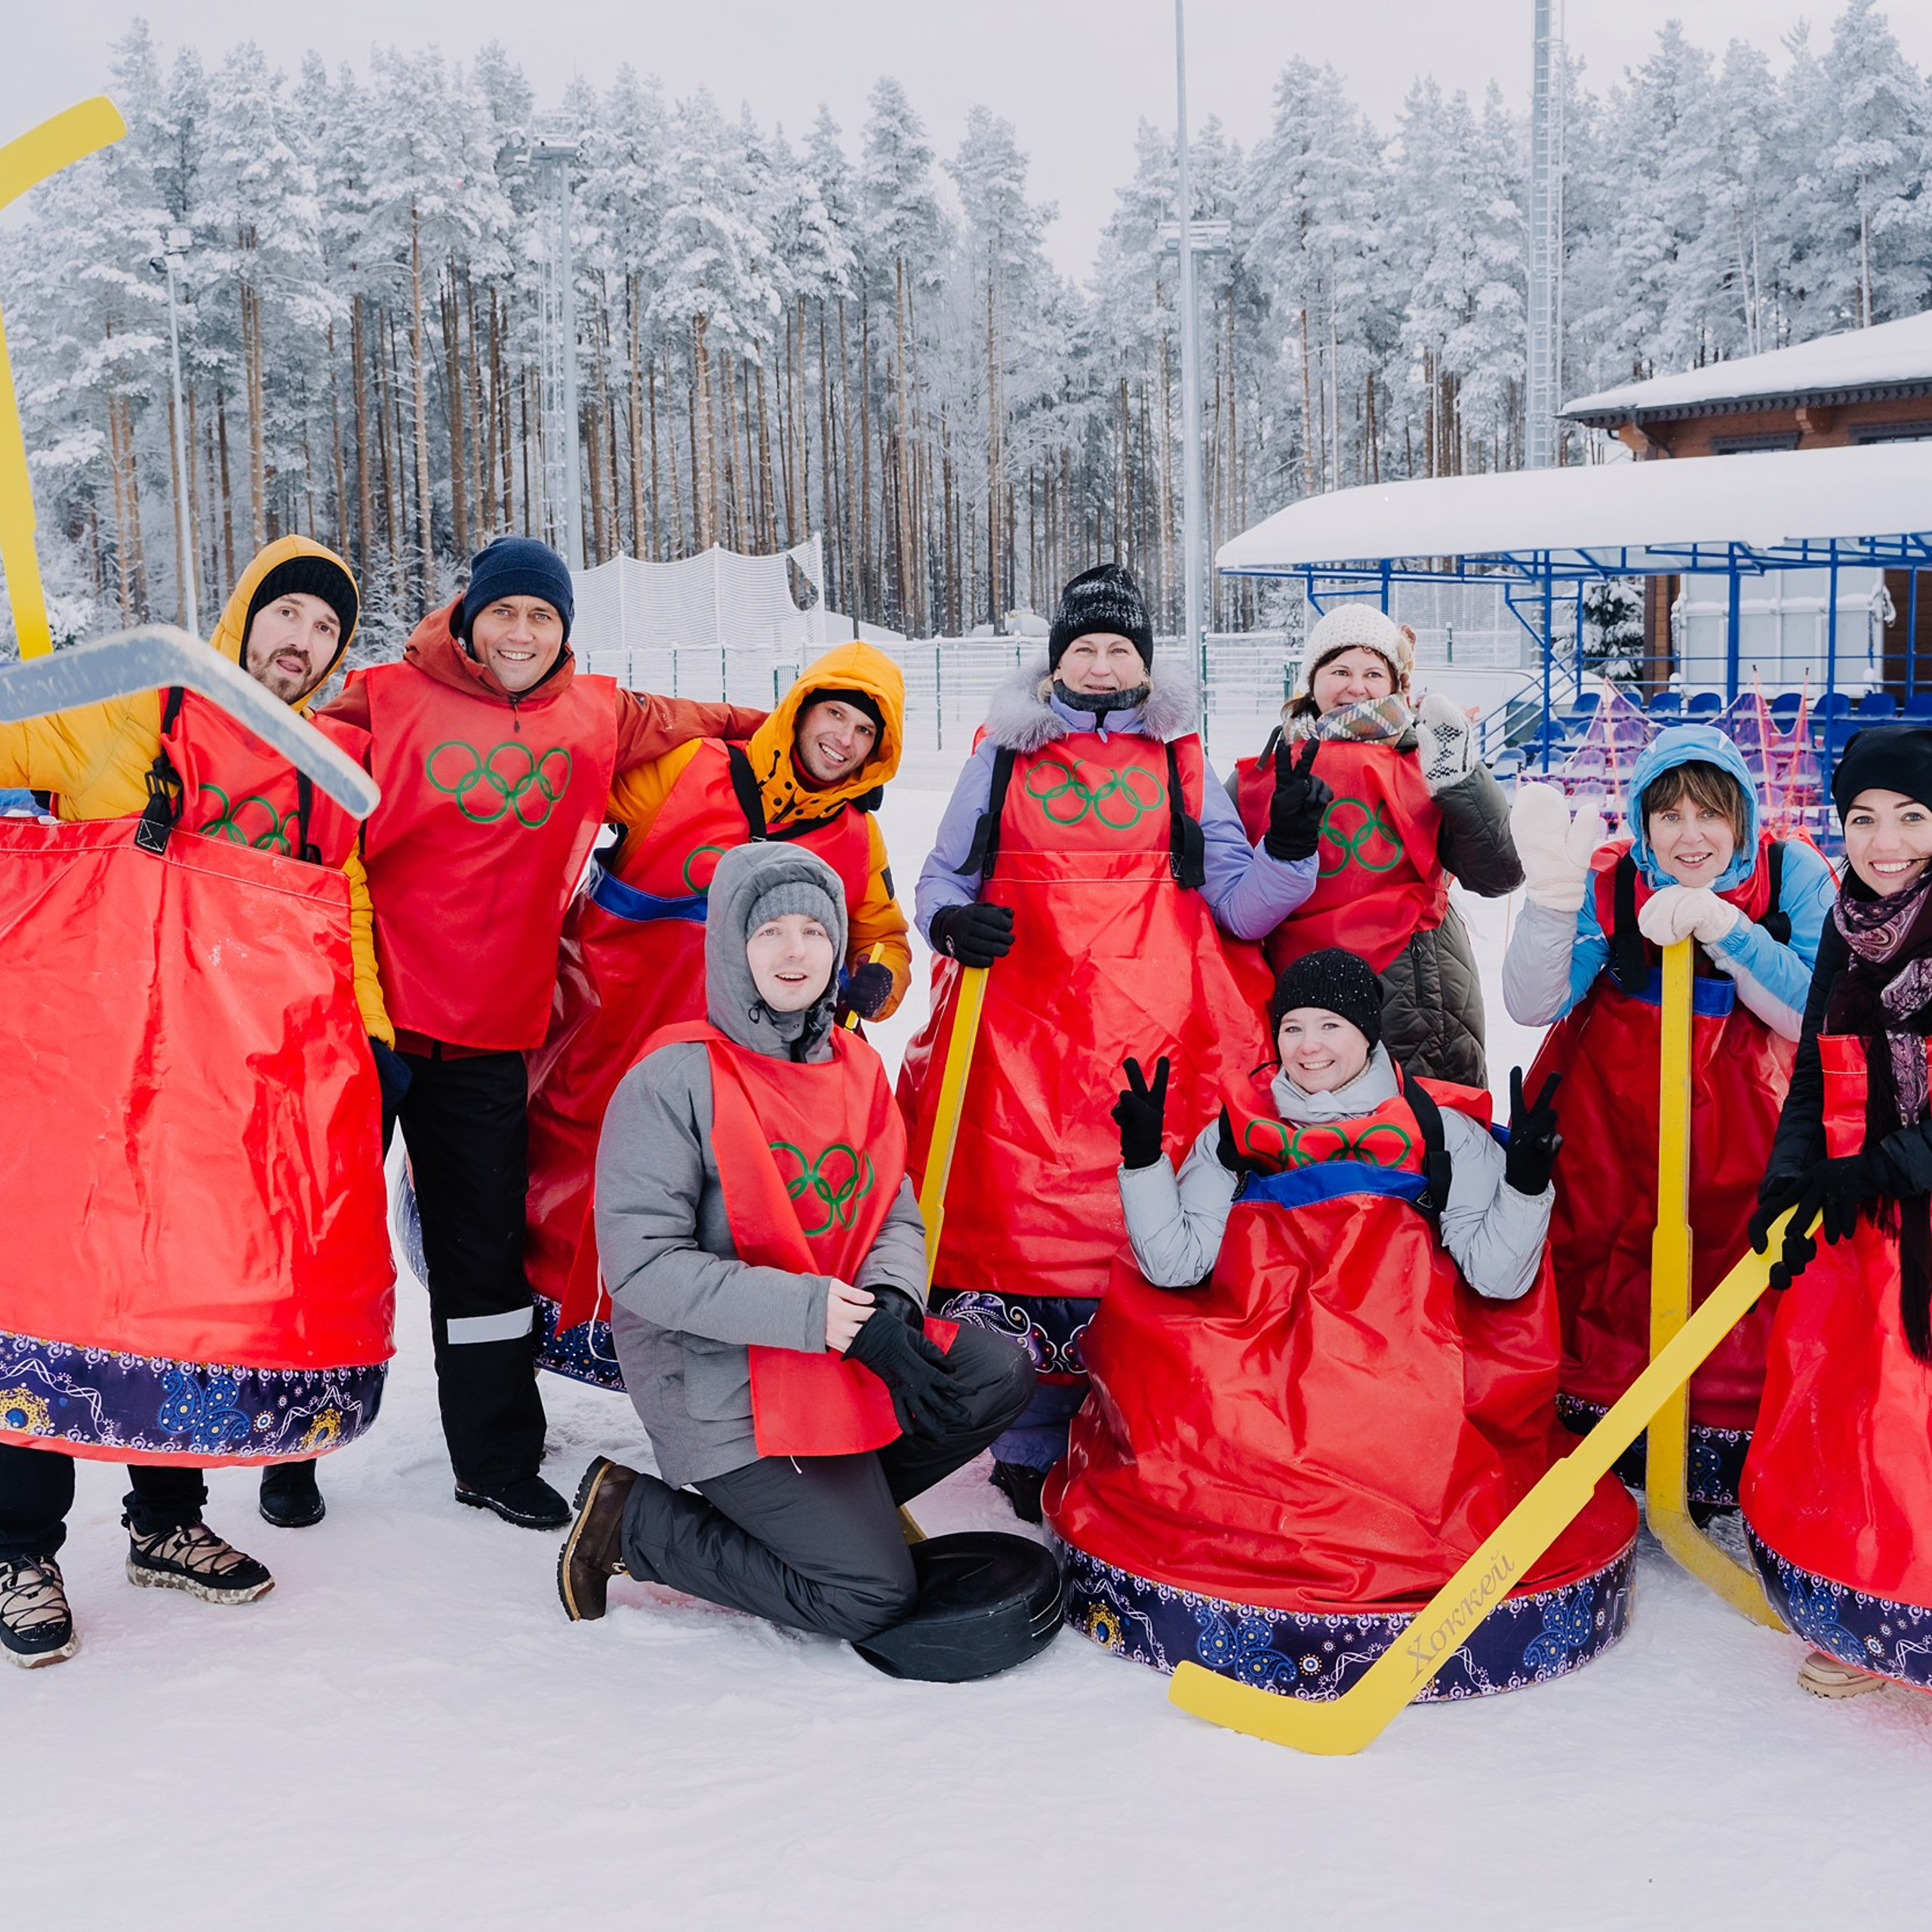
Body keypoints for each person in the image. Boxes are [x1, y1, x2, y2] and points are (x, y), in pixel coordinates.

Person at [305, 537, 764, 1532]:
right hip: (364, 1023)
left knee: (485, 1257)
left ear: (563, 629)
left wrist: (832, 744)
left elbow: (739, 731)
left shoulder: (600, 714)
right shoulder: (384, 699)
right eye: (505, 612)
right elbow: (280, 774)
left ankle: (496, 1457)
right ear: (470, 616)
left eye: (542, 617)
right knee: (319, 1241)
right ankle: (293, 1440)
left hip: (490, 1037)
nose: (521, 632)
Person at [0, 537, 395, 1666]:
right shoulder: (136, 710)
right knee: (51, 1293)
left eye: (325, 630)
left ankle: (167, 1523)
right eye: (288, 616)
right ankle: (17, 1544)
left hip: (232, 1087)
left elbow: (345, 907)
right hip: (91, 1059)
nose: (302, 642)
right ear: (244, 617)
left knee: (193, 1296)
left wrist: (366, 1038)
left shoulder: (325, 770)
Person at [1051, 949, 1639, 1701]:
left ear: (1367, 1033)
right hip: (1263, 1345)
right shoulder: (1235, 1129)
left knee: (1377, 1435)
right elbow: (1176, 1264)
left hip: (1399, 1349)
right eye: (1292, 1027)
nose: (1310, 1046)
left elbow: (1498, 1277)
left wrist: (1523, 1186)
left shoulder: (1438, 1130)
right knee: (1226, 1424)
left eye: (1330, 1025)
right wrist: (1142, 1162)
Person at [902, 563, 1323, 1521]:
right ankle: (1024, 1432)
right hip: (1021, 1038)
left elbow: (1242, 908)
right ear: (1055, 663)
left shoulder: (1181, 759)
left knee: (1131, 1224)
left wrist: (1288, 851)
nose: (1099, 666)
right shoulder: (1001, 756)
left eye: (1118, 649)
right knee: (1015, 1226)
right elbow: (940, 877)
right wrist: (949, 927)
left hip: (1159, 1033)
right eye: (1083, 649)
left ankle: (1137, 1410)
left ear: (1144, 661)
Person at [555, 844, 1035, 1644]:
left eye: (814, 931)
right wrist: (829, 1317)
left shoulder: (854, 1063)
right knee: (867, 1596)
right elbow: (643, 1266)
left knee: (995, 1373)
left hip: (829, 1349)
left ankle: (823, 1510)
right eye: (769, 930)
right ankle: (634, 1522)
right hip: (717, 1378)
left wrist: (889, 1301)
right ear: (729, 945)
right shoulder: (673, 1079)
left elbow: (892, 1212)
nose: (793, 952)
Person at [525, 642, 912, 1386]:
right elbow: (561, 777)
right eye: (835, 713)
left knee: (719, 1206)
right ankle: (537, 1343)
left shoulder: (855, 837)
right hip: (611, 1030)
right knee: (568, 1182)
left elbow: (883, 936)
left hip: (745, 1073)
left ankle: (702, 1378)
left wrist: (876, 980)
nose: (844, 739)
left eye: (865, 732)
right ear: (800, 711)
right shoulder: (690, 769)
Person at [1501, 727, 1835, 1508]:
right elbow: (1532, 1004)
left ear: (1741, 819)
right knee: (1605, 1268)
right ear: (1644, 824)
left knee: (1741, 1271)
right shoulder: (1614, 883)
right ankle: (1609, 1432)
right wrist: (1552, 908)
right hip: (1612, 1125)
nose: (1690, 837)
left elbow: (1814, 1015)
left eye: (1709, 815)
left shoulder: (1791, 874)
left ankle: (1732, 1440)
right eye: (1669, 816)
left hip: (1750, 1118)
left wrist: (1731, 932)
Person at [1746, 725, 1932, 1699]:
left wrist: (1890, 1165)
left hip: (1913, 1202)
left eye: (1909, 816)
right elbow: (1817, 1070)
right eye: (1862, 818)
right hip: (1870, 1218)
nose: (1883, 840)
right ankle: (1874, 1610)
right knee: (1861, 1420)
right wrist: (1788, 1183)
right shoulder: (1846, 922)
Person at [1229, 602, 1522, 1086]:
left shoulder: (1429, 756)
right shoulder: (1269, 770)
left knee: (1431, 1134)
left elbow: (1499, 874)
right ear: (1313, 679)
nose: (1356, 687)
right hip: (1303, 995)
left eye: (1373, 672)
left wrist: (1460, 781)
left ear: (1395, 683)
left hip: (1418, 990)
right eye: (1339, 670)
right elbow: (1229, 892)